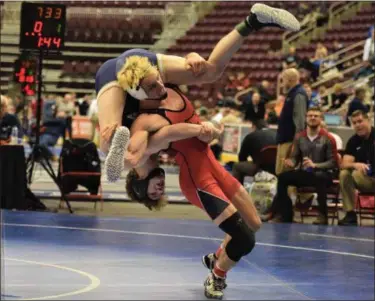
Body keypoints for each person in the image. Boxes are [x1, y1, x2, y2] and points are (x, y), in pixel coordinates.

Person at [97, 3, 301, 181]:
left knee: (110, 139)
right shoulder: (147, 140)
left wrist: (191, 57)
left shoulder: (144, 138)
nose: (163, 88)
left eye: (159, 81)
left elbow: (163, 135)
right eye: (155, 87)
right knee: (120, 145)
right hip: (137, 81)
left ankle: (254, 19)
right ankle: (254, 21)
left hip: (119, 75)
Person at [122, 86, 261, 299]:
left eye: (153, 193)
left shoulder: (141, 157)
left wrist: (210, 126)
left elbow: (183, 130)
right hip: (198, 179)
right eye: (156, 195)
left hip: (212, 167)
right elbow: (171, 133)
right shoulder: (147, 145)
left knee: (254, 223)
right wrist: (202, 129)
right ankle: (217, 275)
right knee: (245, 240)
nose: (159, 190)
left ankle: (217, 258)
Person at [269, 107, 339, 224]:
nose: (312, 118)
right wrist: (291, 162)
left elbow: (333, 162)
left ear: (321, 119)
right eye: (310, 115)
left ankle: (322, 215)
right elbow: (295, 157)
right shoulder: (299, 137)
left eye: (316, 116)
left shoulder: (328, 138)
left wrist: (315, 165)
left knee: (320, 177)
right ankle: (285, 214)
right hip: (306, 173)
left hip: (325, 174)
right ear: (306, 118)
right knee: (282, 178)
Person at [338, 110, 375, 226]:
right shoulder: (353, 141)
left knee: (355, 174)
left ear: (368, 120)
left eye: (360, 121)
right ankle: (350, 214)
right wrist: (355, 165)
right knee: (345, 174)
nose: (358, 125)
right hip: (365, 180)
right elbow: (344, 164)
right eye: (354, 123)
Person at [232, 120, 277, 184]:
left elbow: (242, 157)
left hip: (259, 168)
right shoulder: (276, 135)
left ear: (254, 127)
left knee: (237, 166)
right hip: (276, 169)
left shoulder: (250, 136)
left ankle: (239, 190)